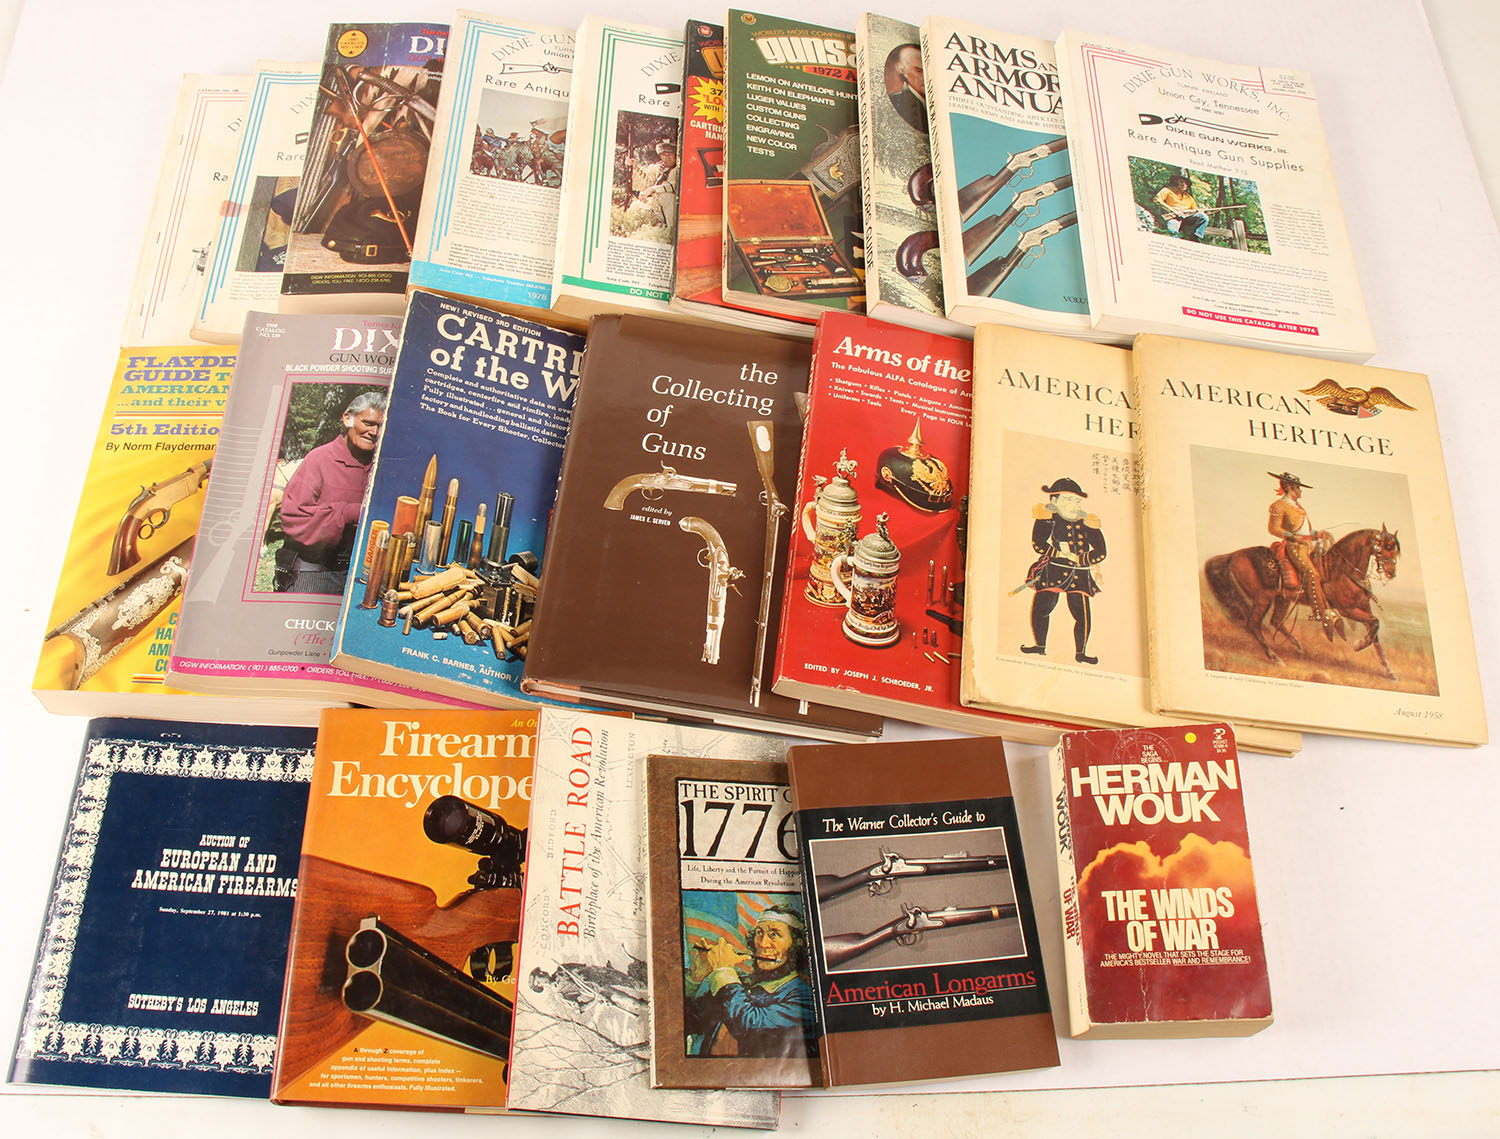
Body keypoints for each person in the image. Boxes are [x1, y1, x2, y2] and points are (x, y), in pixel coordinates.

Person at [278, 391, 387, 593]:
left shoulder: (382, 465)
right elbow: (294, 518)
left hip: (364, 567)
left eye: (381, 426)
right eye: (368, 423)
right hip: (316, 566)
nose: (374, 432)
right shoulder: (319, 459)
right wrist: (348, 512)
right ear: (347, 418)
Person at [684, 905, 817, 1059]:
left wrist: (723, 972)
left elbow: (750, 1027)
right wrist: (694, 978)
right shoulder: (743, 985)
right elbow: (687, 1022)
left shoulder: (806, 997)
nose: (762, 943)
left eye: (774, 934)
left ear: (797, 943)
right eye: (759, 933)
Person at [1020, 478, 1106, 665]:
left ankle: (1081, 653)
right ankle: (1040, 646)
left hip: (1079, 573)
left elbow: (1101, 552)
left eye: (1077, 500)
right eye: (1068, 499)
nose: (1075, 504)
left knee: (1082, 615)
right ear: (1054, 501)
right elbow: (1038, 543)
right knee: (1041, 609)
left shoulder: (1088, 522)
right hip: (1053, 571)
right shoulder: (1047, 518)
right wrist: (1058, 553)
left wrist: (1079, 559)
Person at [1266, 471, 1341, 640]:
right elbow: (1273, 529)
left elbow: (1305, 532)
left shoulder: (1299, 508)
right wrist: (1293, 538)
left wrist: (1318, 534)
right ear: (1289, 488)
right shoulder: (1278, 506)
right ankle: (1320, 613)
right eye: (1298, 488)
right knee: (1312, 574)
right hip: (1294, 547)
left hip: (1308, 546)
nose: (1300, 491)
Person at [634, 140, 680, 226]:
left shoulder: (679, 169)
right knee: (634, 206)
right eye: (664, 155)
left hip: (674, 208)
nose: (667, 157)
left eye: (670, 154)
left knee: (667, 196)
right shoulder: (661, 169)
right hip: (656, 206)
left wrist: (653, 189)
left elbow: (675, 186)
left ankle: (670, 228)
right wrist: (635, 167)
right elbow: (649, 182)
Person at [885, 42, 928, 132]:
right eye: (919, 71)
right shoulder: (896, 103)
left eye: (927, 71)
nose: (925, 77)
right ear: (904, 72)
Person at [1153, 173, 1208, 241]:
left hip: (1187, 218)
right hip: (1173, 217)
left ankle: (1195, 237)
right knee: (1172, 231)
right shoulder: (1167, 190)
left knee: (1204, 217)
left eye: (1186, 183)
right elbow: (1157, 200)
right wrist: (1173, 211)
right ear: (1176, 182)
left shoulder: (1189, 197)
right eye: (1181, 182)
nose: (1184, 184)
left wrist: (1200, 211)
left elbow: (1195, 210)